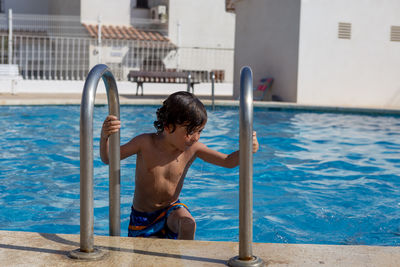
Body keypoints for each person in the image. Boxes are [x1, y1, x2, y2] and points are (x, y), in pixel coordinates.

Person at [100, 91, 259, 240]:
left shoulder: (193, 149)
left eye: (200, 131)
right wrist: (104, 137)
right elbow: (108, 158)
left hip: (171, 210)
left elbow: (227, 161)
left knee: (188, 223)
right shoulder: (144, 143)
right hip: (143, 217)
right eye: (190, 132)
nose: (196, 138)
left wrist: (246, 149)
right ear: (168, 126)